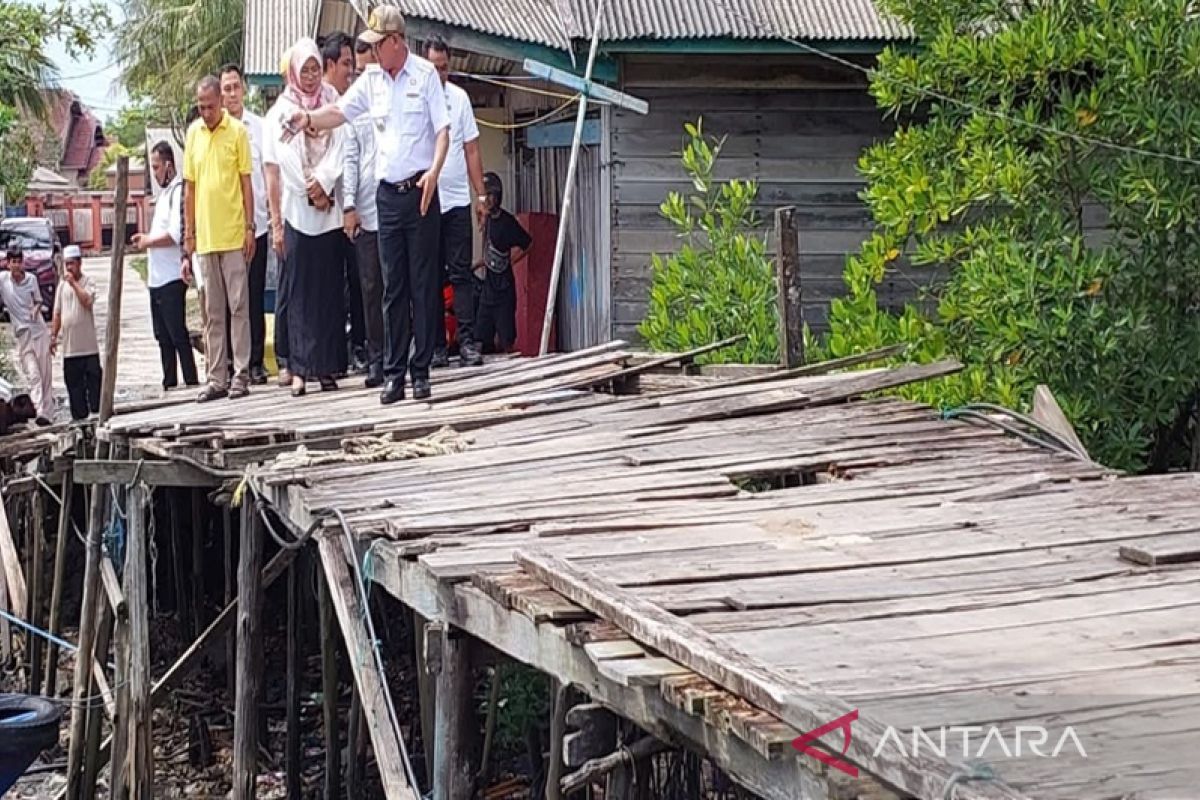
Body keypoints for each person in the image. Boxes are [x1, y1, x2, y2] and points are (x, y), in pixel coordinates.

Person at [284, 6, 449, 404]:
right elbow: (338, 112)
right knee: (392, 286)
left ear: (396, 41)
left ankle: (421, 370)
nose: (373, 53)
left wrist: (435, 172)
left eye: (379, 45)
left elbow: (443, 131)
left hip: (421, 192)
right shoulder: (372, 81)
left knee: (423, 285)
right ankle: (394, 374)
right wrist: (307, 120)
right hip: (388, 196)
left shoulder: (425, 76)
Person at [265, 38, 347, 396]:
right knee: (298, 295)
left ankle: (327, 368)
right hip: (298, 211)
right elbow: (283, 159)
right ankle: (299, 370)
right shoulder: (282, 110)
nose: (312, 76)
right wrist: (308, 187)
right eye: (305, 70)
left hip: (329, 212)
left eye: (315, 68)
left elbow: (343, 143)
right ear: (294, 73)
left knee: (328, 292)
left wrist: (326, 182)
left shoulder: (334, 103)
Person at [183, 74, 257, 402]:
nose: (206, 112)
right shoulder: (193, 134)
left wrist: (250, 228)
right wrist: (189, 232)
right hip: (206, 237)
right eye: (201, 107)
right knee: (212, 311)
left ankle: (241, 373)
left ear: (221, 103)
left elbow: (246, 184)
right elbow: (190, 188)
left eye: (210, 106)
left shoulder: (238, 132)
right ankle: (216, 377)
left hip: (232, 233)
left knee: (239, 306)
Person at [426, 37, 487, 369]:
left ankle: (466, 342)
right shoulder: (418, 97)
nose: (439, 74)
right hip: (426, 202)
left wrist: (480, 195)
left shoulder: (459, 99)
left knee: (461, 273)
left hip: (457, 201)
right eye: (434, 68)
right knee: (431, 277)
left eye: (444, 67)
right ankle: (436, 345)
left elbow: (472, 150)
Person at [132, 140, 199, 391]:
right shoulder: (162, 197)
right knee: (162, 336)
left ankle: (191, 381)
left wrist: (148, 241)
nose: (155, 172)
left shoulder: (178, 192)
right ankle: (169, 382)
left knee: (177, 333)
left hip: (172, 275)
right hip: (156, 278)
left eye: (157, 166)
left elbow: (174, 234)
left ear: (168, 165)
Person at [219, 64, 271, 385]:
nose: (232, 93)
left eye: (236, 86)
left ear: (244, 89)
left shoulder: (260, 128)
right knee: (229, 299)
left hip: (258, 224)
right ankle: (231, 362)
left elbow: (267, 173)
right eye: (226, 88)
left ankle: (254, 362)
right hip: (226, 229)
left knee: (253, 294)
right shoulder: (214, 129)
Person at [321, 31, 367, 373]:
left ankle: (359, 347)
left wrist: (350, 204)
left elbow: (351, 158)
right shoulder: (316, 104)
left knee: (358, 281)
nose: (351, 71)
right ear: (330, 64)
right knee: (329, 286)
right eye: (347, 64)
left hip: (349, 209)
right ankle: (332, 352)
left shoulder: (355, 102)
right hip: (319, 213)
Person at [343, 39, 385, 388]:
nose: (362, 76)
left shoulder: (393, 94)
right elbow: (350, 158)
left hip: (399, 206)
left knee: (401, 285)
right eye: (357, 71)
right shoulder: (355, 104)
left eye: (367, 68)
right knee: (370, 287)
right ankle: (377, 359)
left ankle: (405, 355)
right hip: (368, 212)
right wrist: (349, 206)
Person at [475, 172, 531, 353]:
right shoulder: (486, 218)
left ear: (498, 196)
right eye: (485, 195)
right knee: (480, 339)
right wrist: (479, 263)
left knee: (507, 340)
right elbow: (491, 251)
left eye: (491, 194)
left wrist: (512, 260)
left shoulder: (508, 222)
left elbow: (529, 244)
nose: (488, 199)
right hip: (487, 290)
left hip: (504, 289)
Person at [0, 249, 53, 424]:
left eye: (18, 261)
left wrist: (35, 309)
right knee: (33, 374)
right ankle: (38, 410)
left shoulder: (31, 280)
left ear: (22, 263)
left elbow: (38, 301)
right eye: (12, 261)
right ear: (8, 264)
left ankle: (47, 414)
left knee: (45, 374)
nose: (16, 265)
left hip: (38, 331)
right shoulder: (3, 281)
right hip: (22, 334)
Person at [49, 245, 101, 420]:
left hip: (89, 349)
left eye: (72, 264)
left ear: (80, 263)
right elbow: (57, 313)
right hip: (70, 350)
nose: (69, 268)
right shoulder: (61, 286)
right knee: (74, 389)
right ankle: (80, 424)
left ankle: (96, 418)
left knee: (94, 389)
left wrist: (73, 283)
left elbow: (87, 301)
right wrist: (53, 336)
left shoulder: (88, 282)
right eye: (66, 264)